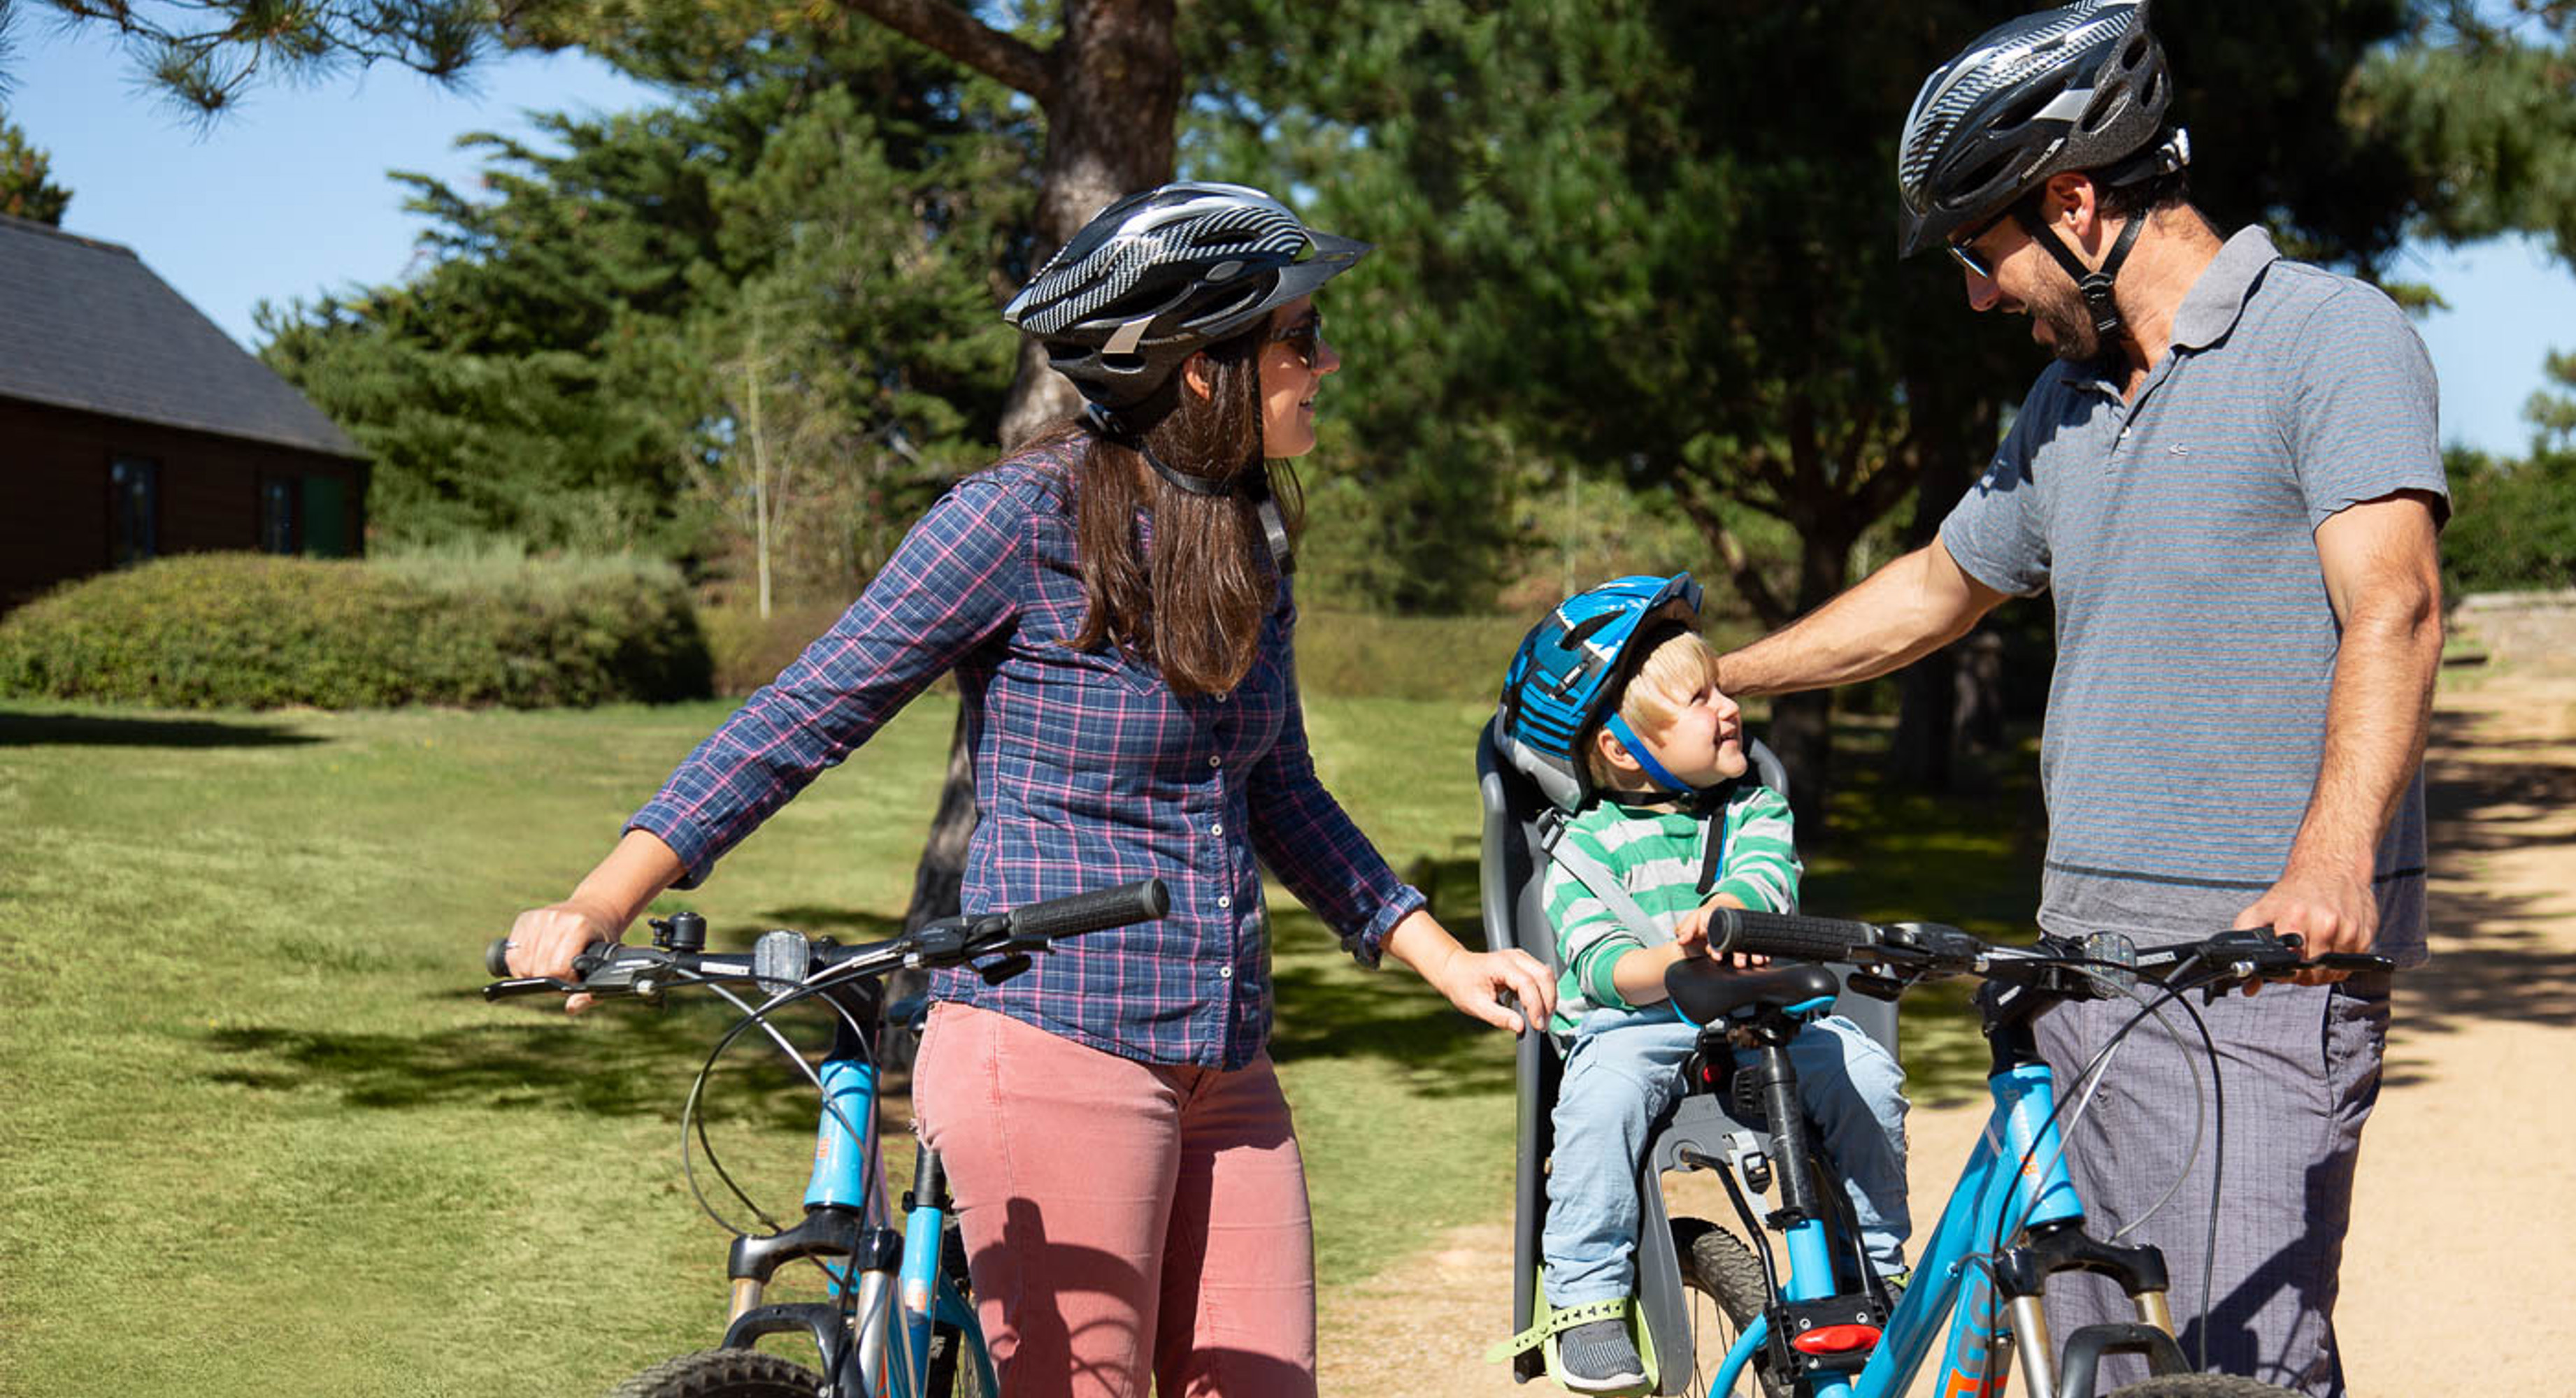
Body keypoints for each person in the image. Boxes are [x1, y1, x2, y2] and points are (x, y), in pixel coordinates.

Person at [501, 180, 1557, 1398]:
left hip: (1225, 1057)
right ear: (1201, 369)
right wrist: (602, 899)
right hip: (1057, 1038)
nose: (1328, 359)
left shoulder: (1246, 536)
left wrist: (1437, 952)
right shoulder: (1019, 518)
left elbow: (1279, 787)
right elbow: (807, 712)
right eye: (1299, 336)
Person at [1719, 3, 2448, 1395]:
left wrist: (2327, 861)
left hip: (2254, 973)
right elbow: (1941, 586)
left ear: (2071, 203)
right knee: (2102, 1367)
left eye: (1979, 253)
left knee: (2237, 1372)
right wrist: (1723, 673)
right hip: (2078, 974)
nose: (1980, 296)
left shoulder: (2324, 337)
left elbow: (2393, 603)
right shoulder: (2065, 403)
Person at [1500, 573, 1910, 1395]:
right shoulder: (1585, 846)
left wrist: (1733, 910)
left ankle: (1878, 1261)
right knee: (1598, 1101)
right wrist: (1675, 965)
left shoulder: (1753, 807)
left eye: (1721, 688)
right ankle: (1587, 1301)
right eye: (1699, 697)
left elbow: (1766, 875)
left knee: (1863, 1070)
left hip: (1770, 1021)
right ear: (1619, 746)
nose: (1728, 706)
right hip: (1640, 1023)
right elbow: (1598, 964)